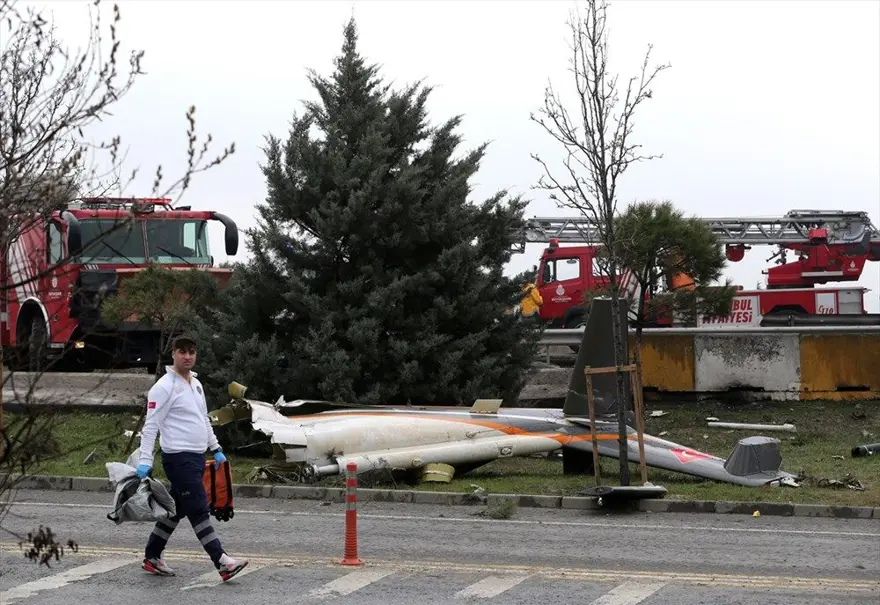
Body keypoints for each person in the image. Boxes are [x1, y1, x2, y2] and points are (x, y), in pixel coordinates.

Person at [135, 333, 248, 582]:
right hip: (178, 458)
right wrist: (145, 460)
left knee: (176, 510)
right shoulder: (164, 387)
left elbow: (202, 419)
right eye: (182, 351)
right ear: (173, 354)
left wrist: (215, 448)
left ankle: (152, 556)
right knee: (198, 509)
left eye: (192, 352)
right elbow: (151, 426)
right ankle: (222, 561)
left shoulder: (195, 384)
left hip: (196, 457)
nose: (187, 356)